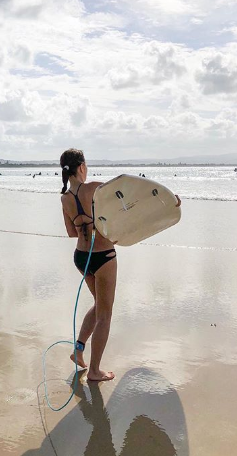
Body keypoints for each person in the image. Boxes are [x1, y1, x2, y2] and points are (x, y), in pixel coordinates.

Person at [60, 148, 180, 382]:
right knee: (105, 313)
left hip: (81, 257)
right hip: (103, 256)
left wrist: (87, 225)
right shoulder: (95, 188)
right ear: (82, 167)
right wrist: (168, 204)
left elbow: (70, 233)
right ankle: (94, 371)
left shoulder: (64, 198)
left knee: (98, 305)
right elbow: (133, 202)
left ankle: (78, 349)